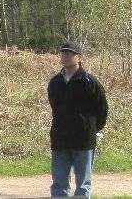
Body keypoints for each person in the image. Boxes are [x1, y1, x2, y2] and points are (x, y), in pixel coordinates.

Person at [48, 41, 108, 198]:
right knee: (59, 184)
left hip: (83, 140)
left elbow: (102, 109)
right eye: (63, 53)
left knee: (82, 185)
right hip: (60, 139)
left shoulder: (89, 82)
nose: (65, 56)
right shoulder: (55, 82)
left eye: (70, 53)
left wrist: (91, 128)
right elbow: (54, 107)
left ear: (79, 58)